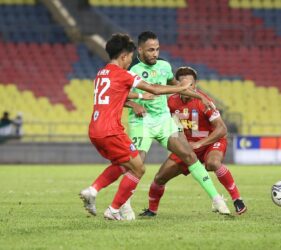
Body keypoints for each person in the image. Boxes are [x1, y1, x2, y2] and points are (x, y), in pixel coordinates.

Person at [81, 31, 230, 219]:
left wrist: (199, 96)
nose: (155, 53)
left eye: (157, 49)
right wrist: (135, 103)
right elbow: (121, 96)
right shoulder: (130, 72)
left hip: (165, 120)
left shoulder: (164, 66)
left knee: (188, 154)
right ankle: (123, 204)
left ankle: (216, 199)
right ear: (139, 51)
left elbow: (172, 86)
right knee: (136, 163)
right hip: (142, 122)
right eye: (150, 50)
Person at [140, 67, 247, 216]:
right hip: (187, 147)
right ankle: (152, 211)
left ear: (195, 85)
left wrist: (200, 143)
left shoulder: (204, 101)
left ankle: (237, 199)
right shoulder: (171, 102)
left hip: (210, 143)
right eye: (182, 84)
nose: (186, 88)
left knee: (213, 163)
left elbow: (222, 129)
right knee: (160, 177)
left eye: (189, 84)